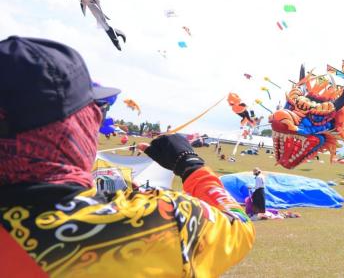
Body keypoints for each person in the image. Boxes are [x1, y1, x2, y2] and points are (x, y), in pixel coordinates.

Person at [0, 36, 254, 276]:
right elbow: (238, 224)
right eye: (98, 110)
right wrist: (190, 164)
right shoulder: (161, 220)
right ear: (74, 127)